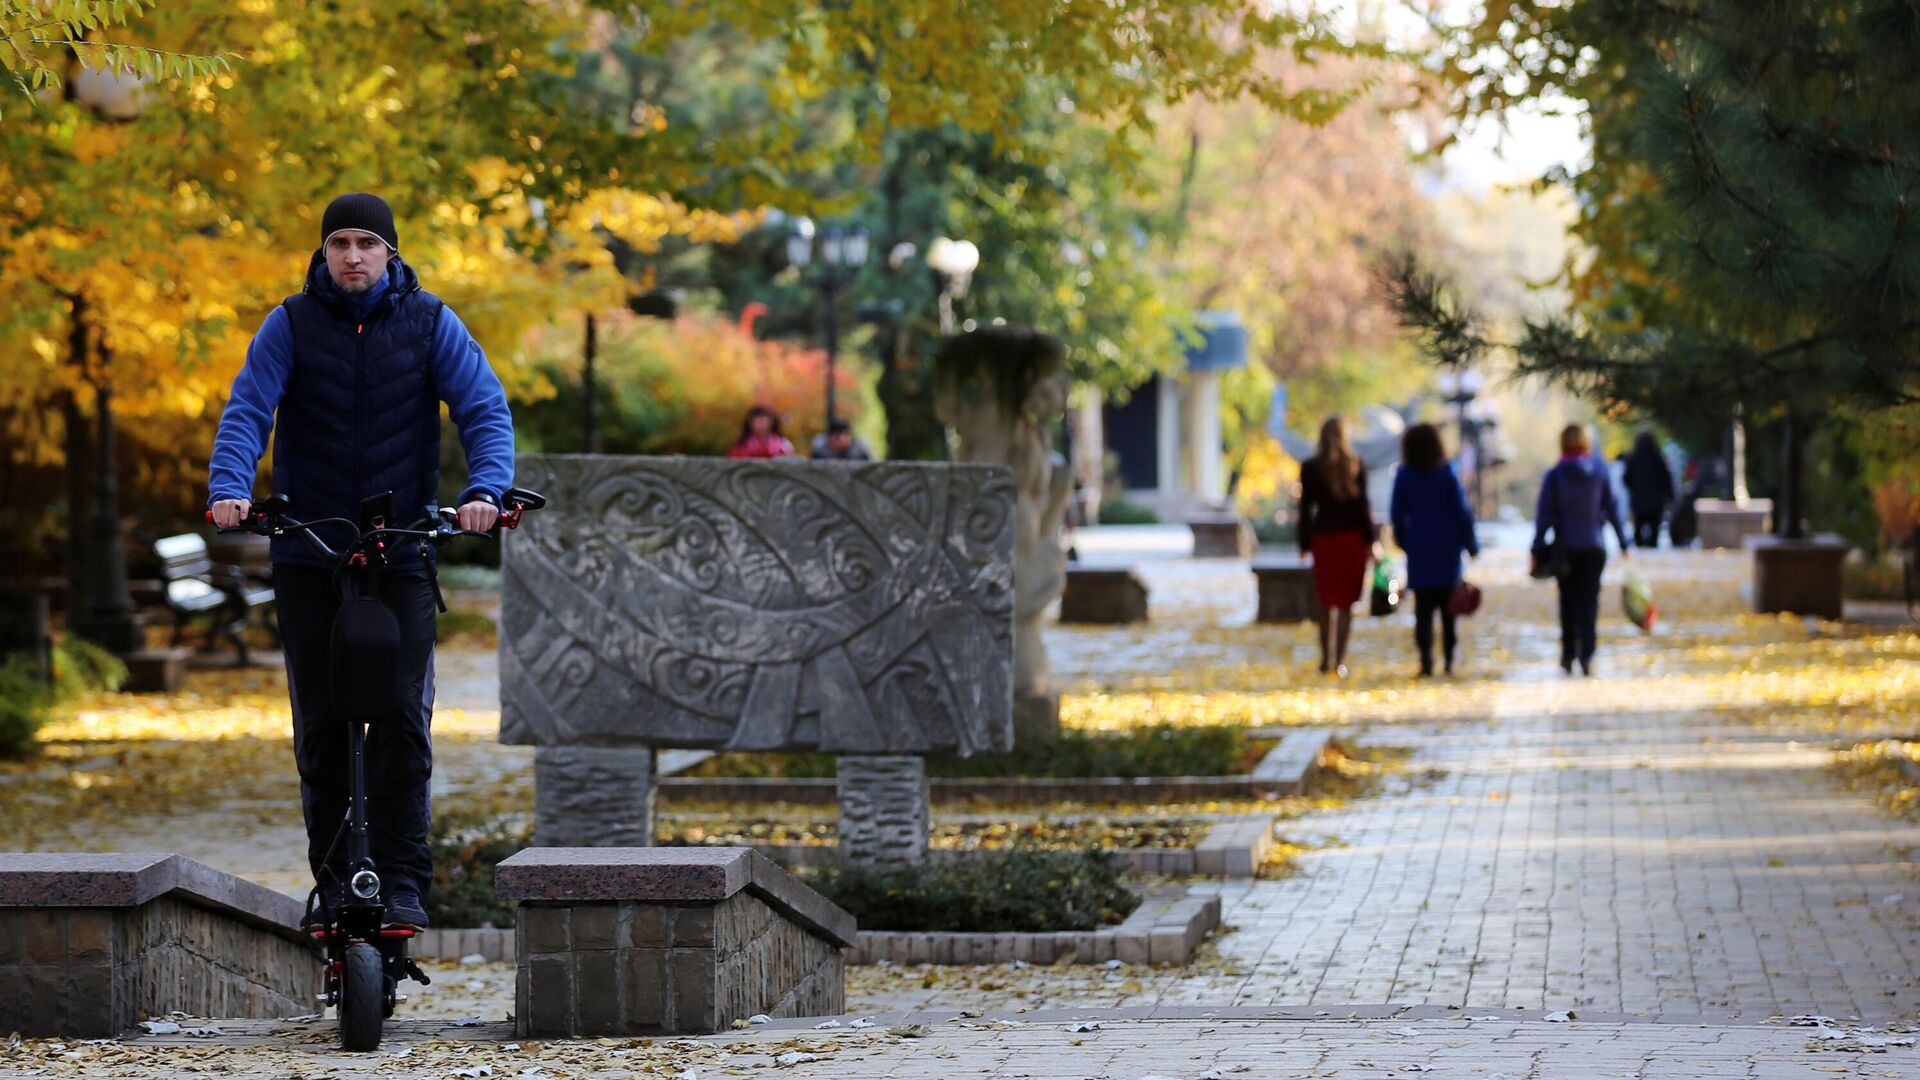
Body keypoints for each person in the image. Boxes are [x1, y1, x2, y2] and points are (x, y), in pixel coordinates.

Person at [207, 192, 516, 930]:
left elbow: (483, 410)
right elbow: (249, 409)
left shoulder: (431, 321)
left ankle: (402, 883)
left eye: (367, 244)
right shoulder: (289, 322)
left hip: (400, 547)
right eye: (340, 242)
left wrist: (483, 490)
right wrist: (229, 489)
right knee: (320, 726)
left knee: (404, 720)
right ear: (324, 252)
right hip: (309, 548)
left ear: (391, 254)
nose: (353, 255)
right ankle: (336, 887)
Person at [1533, 423, 1630, 676]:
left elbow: (1544, 514)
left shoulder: (1554, 475)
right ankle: (1588, 653)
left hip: (1565, 549)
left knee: (1568, 602)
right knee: (1590, 602)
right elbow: (1613, 507)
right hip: (1594, 547)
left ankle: (1567, 654)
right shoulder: (1599, 472)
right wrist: (1624, 542)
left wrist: (1537, 546)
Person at [1389, 423, 1480, 677]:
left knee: (1423, 607)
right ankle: (1449, 658)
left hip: (1419, 545)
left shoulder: (1405, 475)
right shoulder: (1447, 473)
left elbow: (1397, 513)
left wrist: (1403, 539)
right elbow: (1461, 512)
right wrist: (1471, 543)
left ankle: (1426, 659)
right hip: (1447, 545)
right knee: (1449, 606)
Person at [1298, 416, 1378, 678]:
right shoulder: (1355, 464)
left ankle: (1325, 658)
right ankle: (1340, 661)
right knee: (1345, 603)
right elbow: (1364, 508)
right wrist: (1371, 541)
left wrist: (1304, 543)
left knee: (1325, 601)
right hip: (1351, 540)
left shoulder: (1310, 467)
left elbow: (1306, 509)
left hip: (1324, 539)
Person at [1622, 430, 1675, 548]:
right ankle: (1651, 548)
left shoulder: (1633, 459)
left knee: (1638, 528)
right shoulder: (1658, 458)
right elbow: (1666, 479)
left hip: (1638, 500)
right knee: (1654, 529)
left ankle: (1640, 548)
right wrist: (1669, 496)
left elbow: (1626, 479)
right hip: (1655, 501)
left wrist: (1634, 489)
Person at [727, 405, 795, 459]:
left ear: (772, 423)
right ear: (750, 423)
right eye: (758, 420)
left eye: (765, 421)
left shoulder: (783, 446)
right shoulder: (740, 446)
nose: (762, 424)